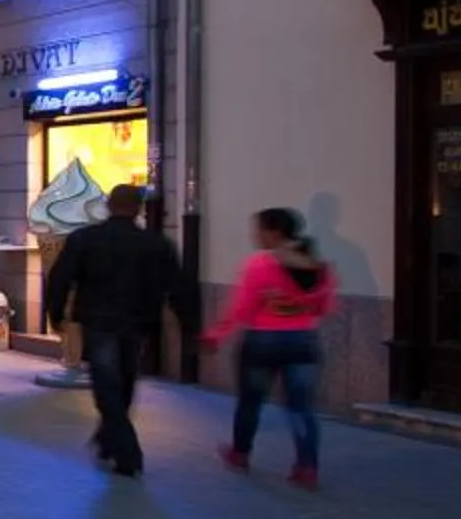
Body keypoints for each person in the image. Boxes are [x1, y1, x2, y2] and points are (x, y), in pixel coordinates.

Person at [41, 184, 192, 477]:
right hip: (138, 322)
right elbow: (179, 287)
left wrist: (55, 314)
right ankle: (109, 438)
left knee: (106, 384)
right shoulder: (157, 244)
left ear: (109, 205)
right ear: (138, 209)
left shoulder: (85, 239)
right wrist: (190, 326)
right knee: (124, 381)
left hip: (99, 322)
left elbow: (61, 278)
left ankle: (126, 451)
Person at [204, 207, 334, 487]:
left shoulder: (259, 264)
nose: (255, 236)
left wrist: (216, 334)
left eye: (259, 229)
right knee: (301, 408)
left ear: (274, 233)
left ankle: (240, 453)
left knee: (250, 402)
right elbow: (324, 307)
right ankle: (307, 467)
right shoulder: (318, 267)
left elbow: (242, 307)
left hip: (262, 341)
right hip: (303, 341)